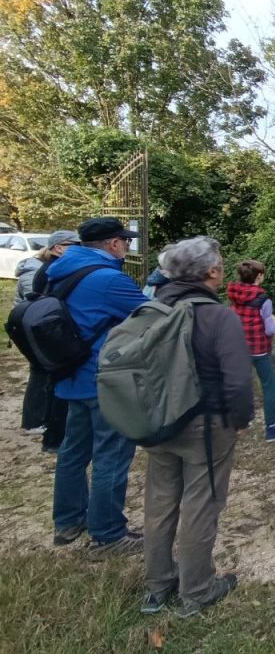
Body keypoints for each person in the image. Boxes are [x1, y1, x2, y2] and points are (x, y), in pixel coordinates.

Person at [142, 237, 253, 617]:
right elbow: (238, 380)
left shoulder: (152, 308)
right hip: (206, 427)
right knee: (201, 505)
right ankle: (198, 590)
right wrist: (240, 419)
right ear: (211, 271)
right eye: (219, 264)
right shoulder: (218, 316)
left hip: (158, 422)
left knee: (159, 504)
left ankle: (158, 585)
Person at [47, 217, 149, 557]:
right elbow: (153, 316)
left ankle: (68, 522)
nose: (127, 247)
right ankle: (107, 535)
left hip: (71, 377)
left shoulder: (59, 270)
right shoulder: (108, 279)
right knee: (112, 455)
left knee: (73, 453)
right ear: (114, 244)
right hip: (104, 380)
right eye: (125, 241)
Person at [14, 229, 79, 450]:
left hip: (43, 330)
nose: (80, 249)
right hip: (44, 331)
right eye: (74, 245)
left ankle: (42, 424)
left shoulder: (50, 268)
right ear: (58, 248)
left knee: (44, 377)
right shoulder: (48, 270)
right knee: (43, 377)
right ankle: (40, 425)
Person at [227, 259, 275, 443]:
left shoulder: (234, 293)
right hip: (259, 349)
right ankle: (271, 429)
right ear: (258, 277)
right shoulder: (263, 299)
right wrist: (274, 320)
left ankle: (238, 422)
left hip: (238, 347)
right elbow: (269, 330)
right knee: (269, 387)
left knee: (240, 385)